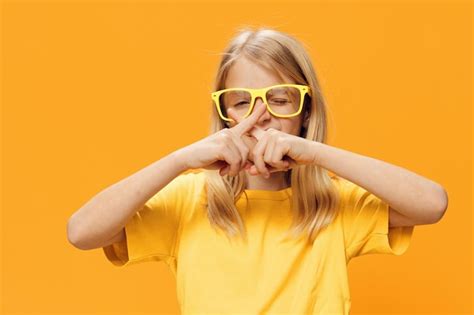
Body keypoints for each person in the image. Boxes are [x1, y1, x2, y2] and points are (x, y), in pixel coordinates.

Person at [67, 27, 448, 314]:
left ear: (306, 113)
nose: (260, 116)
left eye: (280, 99)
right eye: (240, 102)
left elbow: (431, 204)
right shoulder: (191, 199)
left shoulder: (332, 204)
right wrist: (180, 159)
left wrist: (316, 153)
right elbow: (82, 232)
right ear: (224, 114)